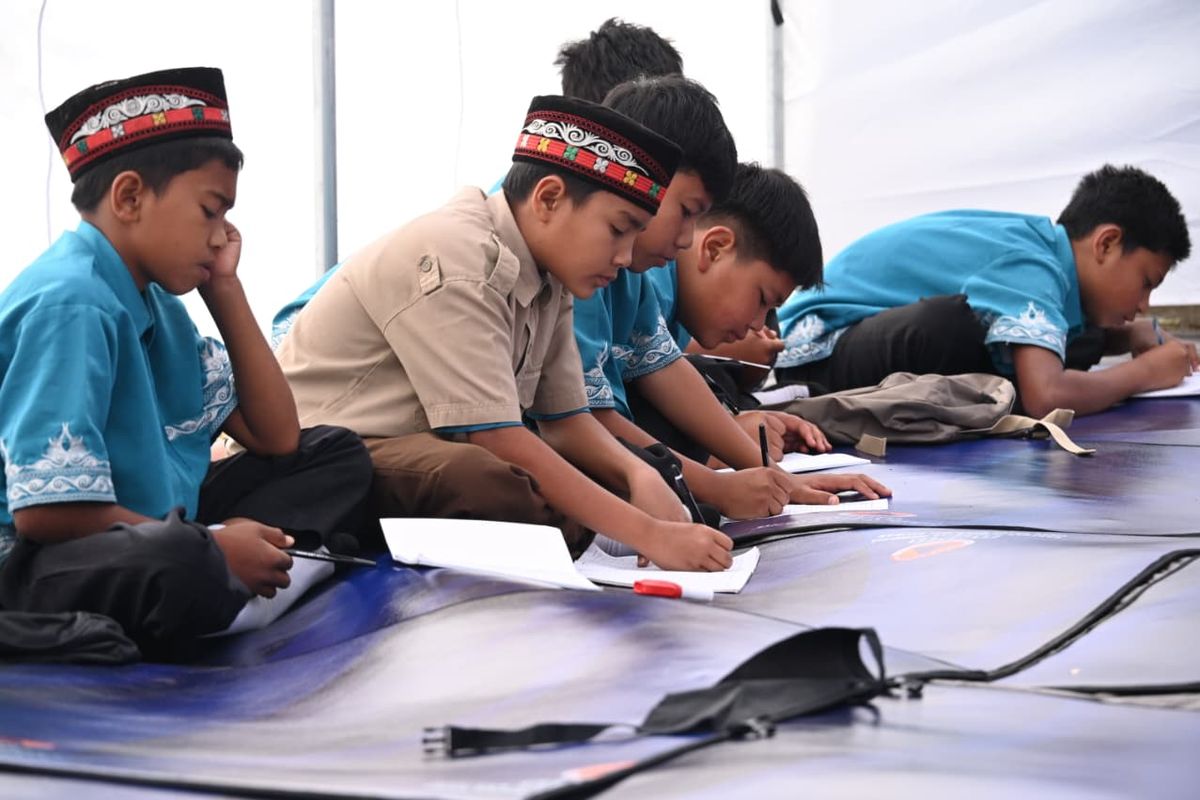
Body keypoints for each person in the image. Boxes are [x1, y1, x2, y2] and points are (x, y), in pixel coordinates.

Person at [0, 67, 374, 655]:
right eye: (210, 211)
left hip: (155, 525)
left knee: (336, 453)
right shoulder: (71, 303)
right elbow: (47, 517)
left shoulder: (156, 303)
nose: (222, 236)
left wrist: (224, 290)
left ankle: (235, 571)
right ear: (129, 198)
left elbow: (277, 438)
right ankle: (244, 572)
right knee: (178, 558)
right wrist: (214, 544)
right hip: (40, 559)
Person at [274, 95, 733, 571]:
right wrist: (650, 533)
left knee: (587, 471)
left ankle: (590, 533)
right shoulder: (459, 256)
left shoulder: (552, 277)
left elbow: (566, 422)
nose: (625, 256)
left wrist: (640, 475)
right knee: (487, 480)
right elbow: (497, 438)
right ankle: (592, 538)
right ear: (549, 199)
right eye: (619, 229)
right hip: (327, 457)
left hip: (415, 452)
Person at [575, 80, 889, 520]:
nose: (686, 239)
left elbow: (664, 368)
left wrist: (778, 479)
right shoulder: (590, 261)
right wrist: (716, 487)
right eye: (686, 212)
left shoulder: (633, 269)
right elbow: (578, 424)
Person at [775, 165, 1195, 417]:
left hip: (858, 340)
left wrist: (1127, 336)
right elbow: (1046, 397)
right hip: (818, 353)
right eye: (1146, 282)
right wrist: (1145, 373)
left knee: (1072, 340)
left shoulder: (1042, 254)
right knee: (952, 326)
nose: (1144, 305)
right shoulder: (1034, 263)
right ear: (1106, 243)